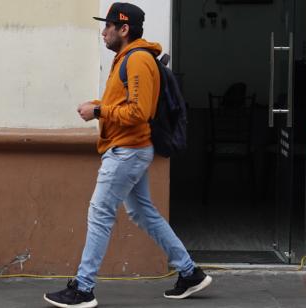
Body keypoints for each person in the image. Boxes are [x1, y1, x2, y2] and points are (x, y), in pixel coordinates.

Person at [43, 3, 212, 307]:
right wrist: (99, 105)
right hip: (128, 149)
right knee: (142, 212)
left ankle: (83, 288)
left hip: (127, 151)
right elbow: (123, 102)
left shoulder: (137, 61)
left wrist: (97, 111)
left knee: (100, 213)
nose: (103, 31)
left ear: (124, 29)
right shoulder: (126, 59)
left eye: (108, 26)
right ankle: (190, 273)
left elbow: (139, 111)